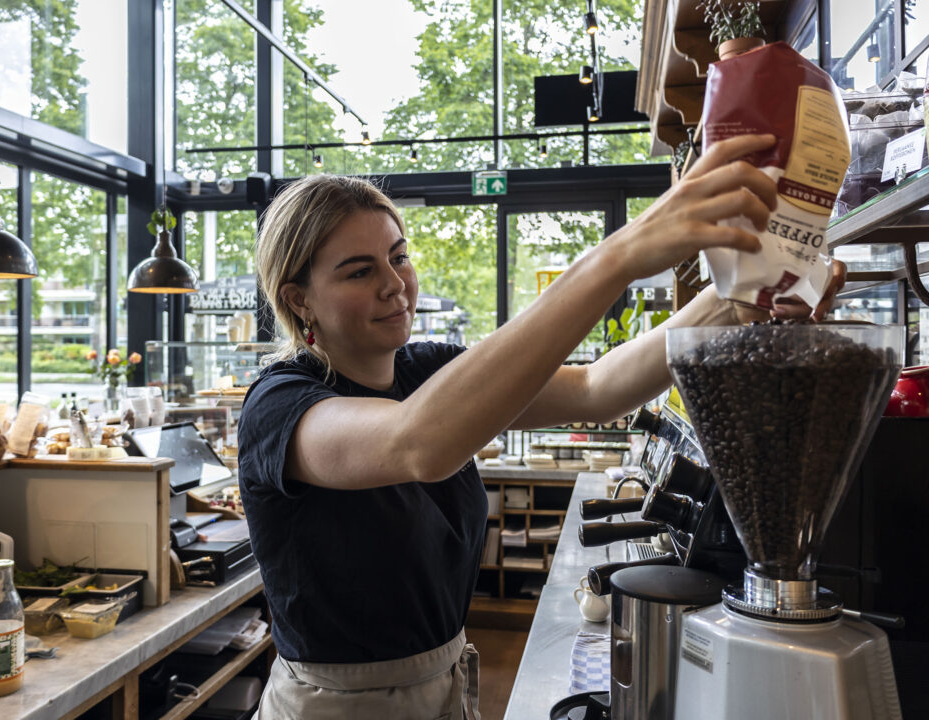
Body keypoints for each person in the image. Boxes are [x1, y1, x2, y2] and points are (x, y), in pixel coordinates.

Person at [237, 134, 846, 720]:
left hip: (445, 688)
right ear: (298, 299)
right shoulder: (281, 407)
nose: (395, 284)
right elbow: (416, 443)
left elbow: (597, 387)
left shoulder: (426, 369)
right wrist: (619, 256)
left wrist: (741, 297)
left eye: (398, 257)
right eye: (358, 271)